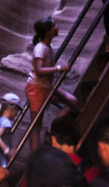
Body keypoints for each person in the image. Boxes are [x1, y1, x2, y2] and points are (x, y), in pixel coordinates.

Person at [25, 18, 76, 149]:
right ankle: (35, 159)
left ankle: (52, 128)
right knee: (36, 126)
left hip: (47, 87)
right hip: (36, 88)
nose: (57, 28)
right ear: (48, 32)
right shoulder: (40, 48)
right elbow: (39, 70)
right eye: (54, 26)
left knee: (72, 101)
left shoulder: (49, 47)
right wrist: (59, 68)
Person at [0, 93, 21, 166]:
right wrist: (7, 151)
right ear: (12, 108)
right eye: (17, 110)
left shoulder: (0, 119)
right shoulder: (6, 122)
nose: (17, 114)